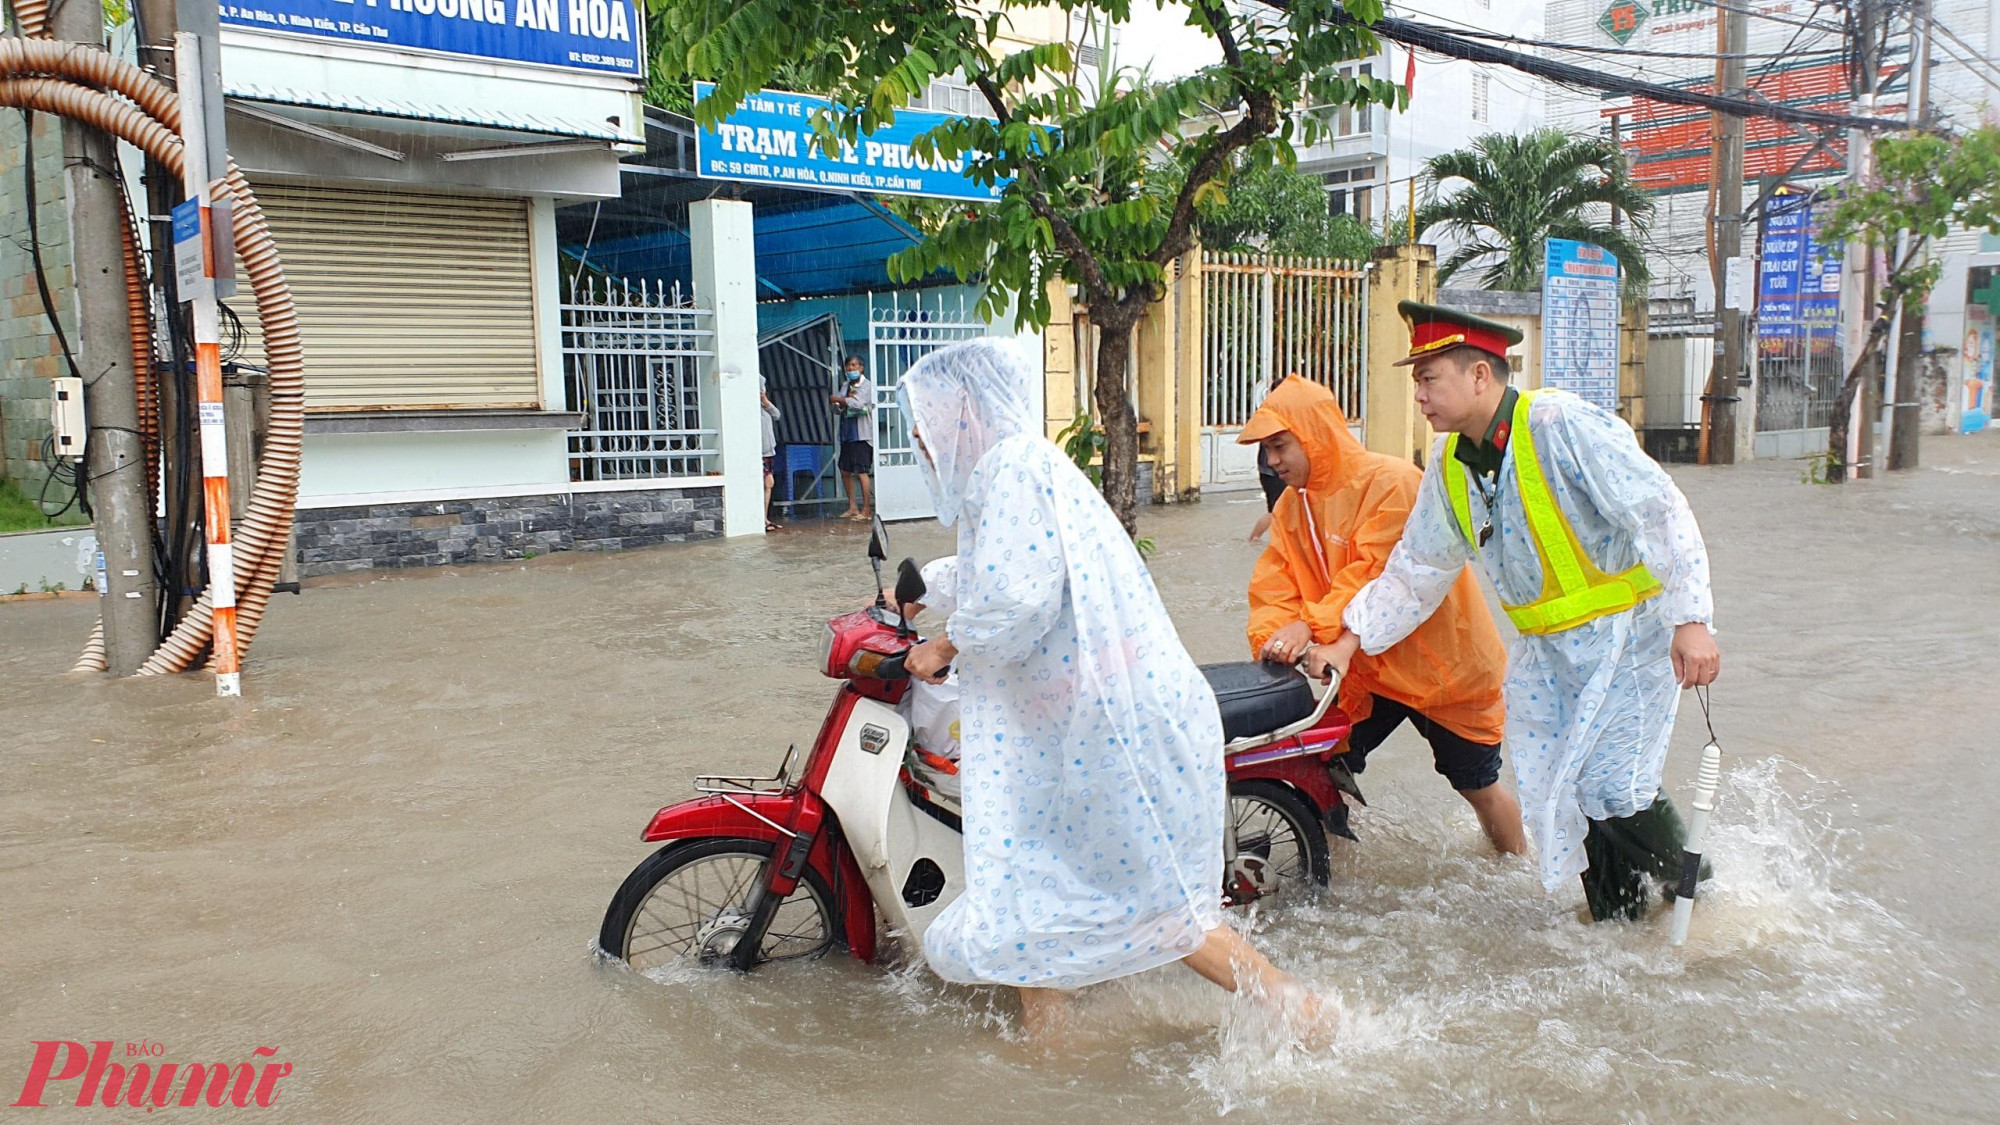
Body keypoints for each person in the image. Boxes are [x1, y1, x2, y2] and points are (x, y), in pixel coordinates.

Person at [892, 338, 1330, 1041]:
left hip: (1119, 733)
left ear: (965, 411)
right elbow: (994, 566)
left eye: (927, 421)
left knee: (1164, 912)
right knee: (1032, 897)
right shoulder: (1004, 476)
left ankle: (1309, 1016)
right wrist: (920, 592)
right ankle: (1054, 1059)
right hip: (1079, 730)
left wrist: (945, 643)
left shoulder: (1013, 469)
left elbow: (1015, 595)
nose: (920, 439)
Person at [1318, 302, 1722, 923]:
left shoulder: (1562, 424)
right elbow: (1417, 569)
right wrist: (1351, 640)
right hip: (1551, 654)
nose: (1420, 396)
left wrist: (1690, 618)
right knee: (1572, 790)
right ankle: (1619, 921)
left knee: (1613, 785)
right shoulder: (1452, 466)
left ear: (1481, 375)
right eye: (1416, 382)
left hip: (1630, 635)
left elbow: (1659, 509)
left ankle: (1701, 890)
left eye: (1430, 379)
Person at [1240, 375, 1524, 855]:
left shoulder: (1394, 482)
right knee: (1324, 758)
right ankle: (1332, 868)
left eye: (1280, 445)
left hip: (1444, 671)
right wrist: (1274, 637)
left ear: (1313, 435)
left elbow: (1372, 574)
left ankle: (1516, 872)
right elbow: (1275, 582)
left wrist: (1308, 625)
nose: (1271, 461)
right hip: (1365, 670)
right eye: (1266, 449)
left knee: (1474, 783)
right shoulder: (1293, 505)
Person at [833, 356, 875, 522]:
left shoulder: (867, 386)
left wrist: (840, 400)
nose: (850, 369)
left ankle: (866, 510)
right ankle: (852, 506)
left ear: (861, 367)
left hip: (862, 435)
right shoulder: (845, 386)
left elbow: (857, 404)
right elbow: (836, 408)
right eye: (848, 366)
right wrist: (839, 403)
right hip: (847, 434)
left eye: (854, 365)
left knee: (862, 472)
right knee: (845, 470)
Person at [760, 375, 783, 532]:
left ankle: (764, 517)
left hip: (768, 452)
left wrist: (766, 402)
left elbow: (777, 415)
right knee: (764, 484)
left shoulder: (765, 407)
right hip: (757, 453)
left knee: (769, 484)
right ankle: (762, 518)